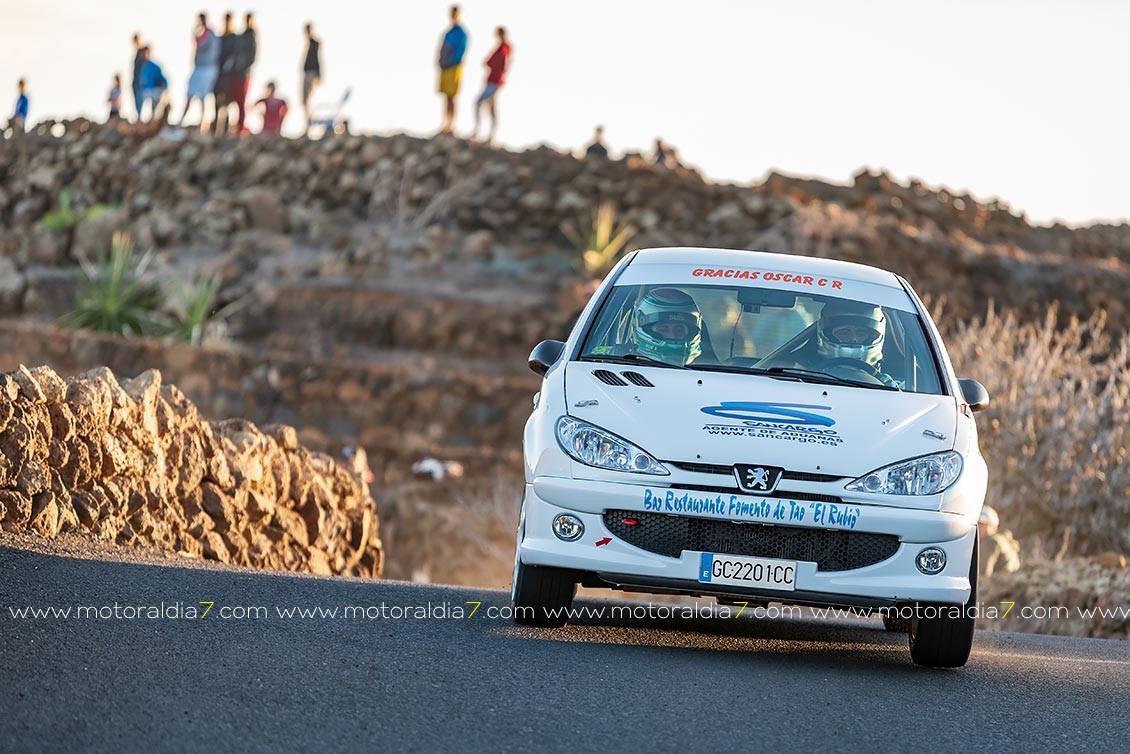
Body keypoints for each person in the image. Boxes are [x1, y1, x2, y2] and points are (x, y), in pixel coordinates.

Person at [179, 13, 220, 129]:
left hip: (207, 69)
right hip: (199, 68)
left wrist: (195, 34)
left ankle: (203, 124)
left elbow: (202, 45)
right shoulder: (203, 33)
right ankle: (181, 121)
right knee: (191, 95)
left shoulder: (210, 34)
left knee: (203, 97)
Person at [472, 26, 510, 144]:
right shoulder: (499, 48)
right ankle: (489, 136)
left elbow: (502, 65)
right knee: (490, 107)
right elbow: (488, 62)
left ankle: (480, 131)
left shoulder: (504, 48)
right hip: (492, 81)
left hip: (495, 82)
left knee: (480, 103)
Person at [436, 5, 468, 134]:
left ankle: (451, 124)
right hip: (445, 66)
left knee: (452, 96)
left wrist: (451, 61)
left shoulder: (461, 32)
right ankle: (445, 123)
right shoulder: (449, 32)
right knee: (446, 96)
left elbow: (461, 50)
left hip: (453, 67)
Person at [231, 12, 257, 135]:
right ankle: (234, 125)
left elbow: (252, 57)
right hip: (236, 73)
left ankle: (241, 127)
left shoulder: (251, 37)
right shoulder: (241, 36)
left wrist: (243, 67)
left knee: (241, 101)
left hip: (243, 74)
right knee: (234, 99)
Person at [212, 13, 239, 136]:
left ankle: (225, 128)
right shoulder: (221, 38)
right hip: (218, 74)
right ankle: (216, 128)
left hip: (229, 75)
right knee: (216, 101)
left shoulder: (234, 38)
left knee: (226, 102)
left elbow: (235, 56)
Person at [978, 506, 1021, 577]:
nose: (978, 528)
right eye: (977, 524)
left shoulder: (991, 541)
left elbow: (983, 573)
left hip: (1001, 582)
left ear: (992, 527)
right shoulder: (1002, 539)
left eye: (982, 525)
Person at [301, 22, 321, 136]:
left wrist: (318, 74)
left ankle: (309, 124)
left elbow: (318, 59)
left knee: (308, 100)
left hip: (311, 73)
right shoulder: (308, 43)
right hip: (308, 73)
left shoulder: (314, 43)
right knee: (305, 101)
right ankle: (307, 124)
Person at [138, 46, 168, 122]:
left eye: (145, 53)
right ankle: (140, 119)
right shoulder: (139, 67)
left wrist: (163, 87)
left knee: (157, 100)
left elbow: (164, 81)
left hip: (153, 91)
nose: (144, 55)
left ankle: (153, 119)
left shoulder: (154, 67)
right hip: (143, 92)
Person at [131, 33, 145, 120]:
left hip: (141, 82)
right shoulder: (137, 53)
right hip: (136, 81)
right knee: (136, 101)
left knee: (140, 101)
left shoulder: (142, 53)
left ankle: (140, 119)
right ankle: (139, 118)